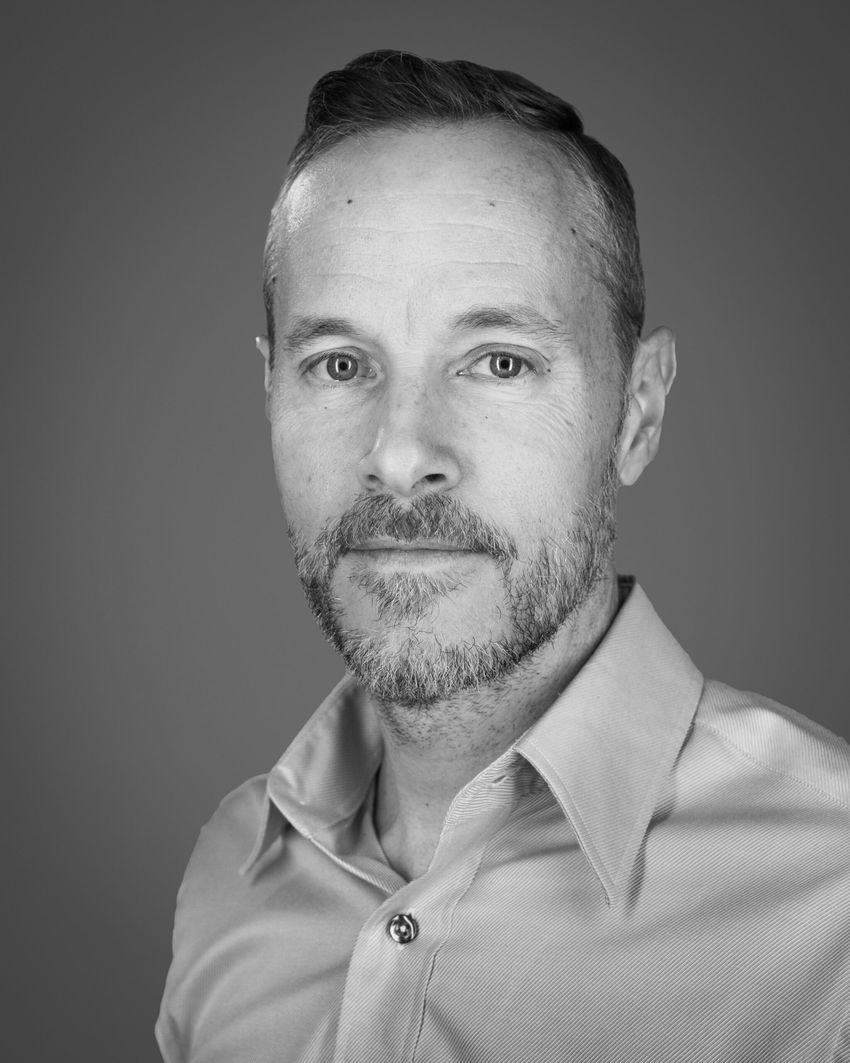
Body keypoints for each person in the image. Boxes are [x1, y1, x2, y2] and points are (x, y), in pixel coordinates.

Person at [156, 50, 850, 1062]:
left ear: (638, 412)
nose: (401, 456)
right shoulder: (230, 871)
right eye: (339, 364)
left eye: (498, 362)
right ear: (271, 393)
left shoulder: (831, 907)